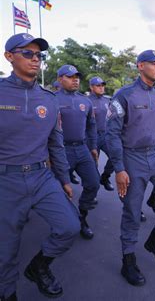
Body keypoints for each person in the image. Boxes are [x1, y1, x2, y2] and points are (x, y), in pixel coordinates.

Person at [0, 33, 80, 300]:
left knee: (69, 227)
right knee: (6, 252)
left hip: (41, 176)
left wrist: (65, 179)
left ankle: (39, 266)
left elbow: (55, 142)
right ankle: (8, 293)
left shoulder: (49, 98)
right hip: (6, 180)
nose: (35, 59)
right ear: (9, 56)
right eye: (28, 53)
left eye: (39, 55)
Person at [105, 49, 155, 286]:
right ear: (140, 66)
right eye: (153, 63)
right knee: (132, 211)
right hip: (132, 158)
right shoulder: (124, 95)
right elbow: (112, 134)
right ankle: (128, 260)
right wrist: (119, 168)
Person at [56, 65, 100, 240]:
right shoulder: (52, 100)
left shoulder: (85, 101)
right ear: (60, 79)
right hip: (61, 150)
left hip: (82, 149)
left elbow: (91, 127)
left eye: (77, 76)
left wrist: (93, 147)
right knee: (60, 190)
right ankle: (63, 223)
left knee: (93, 183)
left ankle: (82, 217)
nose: (75, 79)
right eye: (70, 76)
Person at [87, 76, 114, 192]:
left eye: (102, 85)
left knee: (116, 156)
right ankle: (91, 192)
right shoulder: (86, 101)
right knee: (93, 165)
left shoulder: (108, 101)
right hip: (92, 137)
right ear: (91, 87)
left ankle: (105, 177)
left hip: (106, 135)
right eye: (98, 86)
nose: (101, 88)